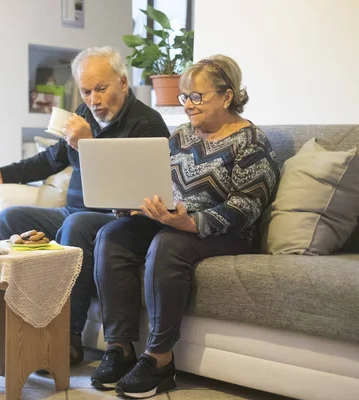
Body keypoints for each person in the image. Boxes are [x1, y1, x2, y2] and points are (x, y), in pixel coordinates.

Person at [90, 55, 280, 398]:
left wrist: (191, 222)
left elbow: (246, 208)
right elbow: (162, 185)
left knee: (169, 244)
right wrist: (140, 204)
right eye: (184, 97)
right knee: (112, 236)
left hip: (227, 232)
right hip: (173, 220)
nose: (188, 106)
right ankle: (119, 348)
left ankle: (160, 360)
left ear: (227, 96)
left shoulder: (251, 141)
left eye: (197, 97)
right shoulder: (180, 136)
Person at [0, 46, 170, 365]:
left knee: (75, 226)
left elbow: (139, 191)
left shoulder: (147, 124)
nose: (94, 100)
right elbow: (51, 159)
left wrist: (89, 142)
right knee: (9, 218)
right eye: (86, 91)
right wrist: (1, 173)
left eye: (101, 89)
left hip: (113, 221)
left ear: (122, 82)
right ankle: (13, 326)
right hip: (72, 212)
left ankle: (66, 339)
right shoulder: (84, 113)